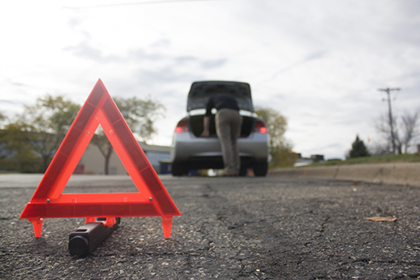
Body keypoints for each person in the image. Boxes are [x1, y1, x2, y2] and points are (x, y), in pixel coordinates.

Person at [200, 93, 243, 176]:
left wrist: (206, 130)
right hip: (237, 115)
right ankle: (236, 170)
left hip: (223, 113)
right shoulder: (231, 97)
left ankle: (229, 169)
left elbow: (207, 115)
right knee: (234, 143)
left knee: (225, 142)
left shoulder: (213, 96)